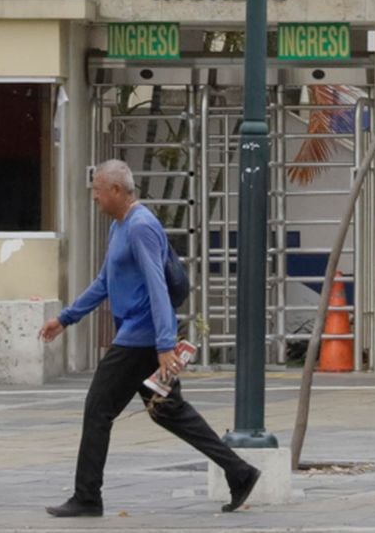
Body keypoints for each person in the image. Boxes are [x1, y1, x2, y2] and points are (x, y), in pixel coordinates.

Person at [38, 159, 261, 517]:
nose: (93, 197)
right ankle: (240, 472)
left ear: (115, 190)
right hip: (142, 337)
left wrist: (163, 344)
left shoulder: (141, 226)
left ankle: (87, 497)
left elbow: (157, 285)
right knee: (170, 411)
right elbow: (104, 283)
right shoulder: (119, 226)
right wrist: (66, 319)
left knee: (98, 409)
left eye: (96, 191)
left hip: (140, 338)